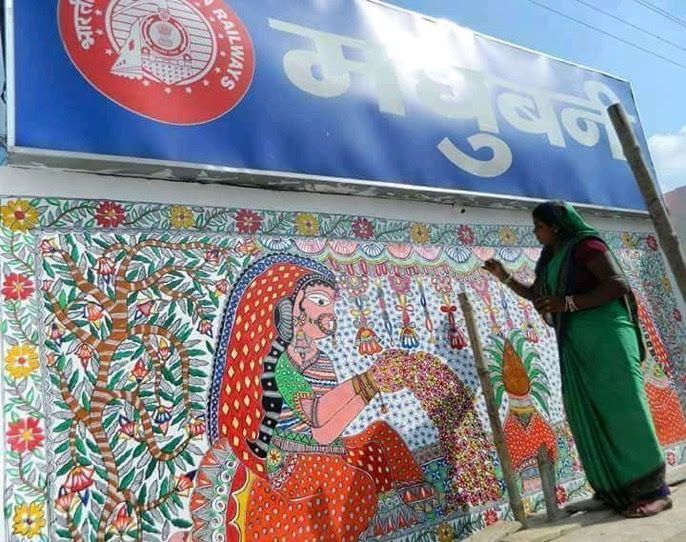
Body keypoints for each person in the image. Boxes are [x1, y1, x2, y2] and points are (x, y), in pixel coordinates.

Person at [483, 200, 672, 518]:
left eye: (539, 226)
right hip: (576, 341)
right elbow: (540, 296)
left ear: (555, 225)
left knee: (624, 408)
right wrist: (504, 277)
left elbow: (616, 285)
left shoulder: (587, 246)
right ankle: (610, 491)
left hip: (608, 335)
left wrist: (568, 304)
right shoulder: (550, 256)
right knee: (586, 412)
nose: (535, 232)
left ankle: (656, 491)